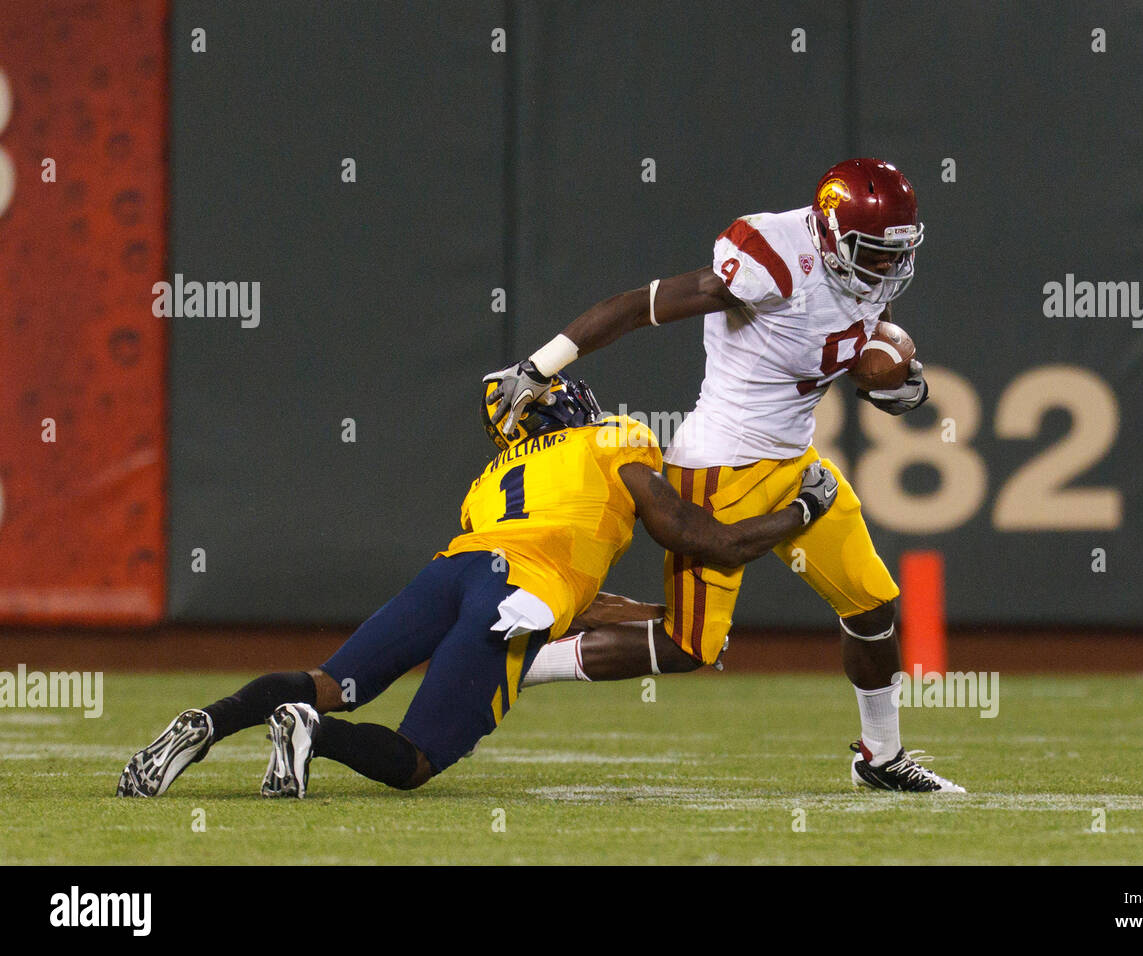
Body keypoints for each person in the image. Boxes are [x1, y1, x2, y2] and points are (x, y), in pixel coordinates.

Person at [116, 374, 838, 798]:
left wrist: (651, 613)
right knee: (416, 762)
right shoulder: (614, 440)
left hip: (456, 571)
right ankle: (314, 735)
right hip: (516, 593)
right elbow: (689, 535)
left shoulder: (491, 479)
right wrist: (802, 510)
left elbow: (564, 580)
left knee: (331, 679)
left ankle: (210, 722)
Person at [484, 157, 965, 792]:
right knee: (690, 646)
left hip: (795, 461)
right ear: (827, 233)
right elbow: (639, 307)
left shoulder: (862, 267)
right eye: (872, 251)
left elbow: (834, 342)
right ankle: (519, 664)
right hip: (722, 467)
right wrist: (540, 366)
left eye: (894, 251)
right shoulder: (772, 256)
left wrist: (900, 376)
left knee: (873, 605)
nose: (885, 267)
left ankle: (881, 757)